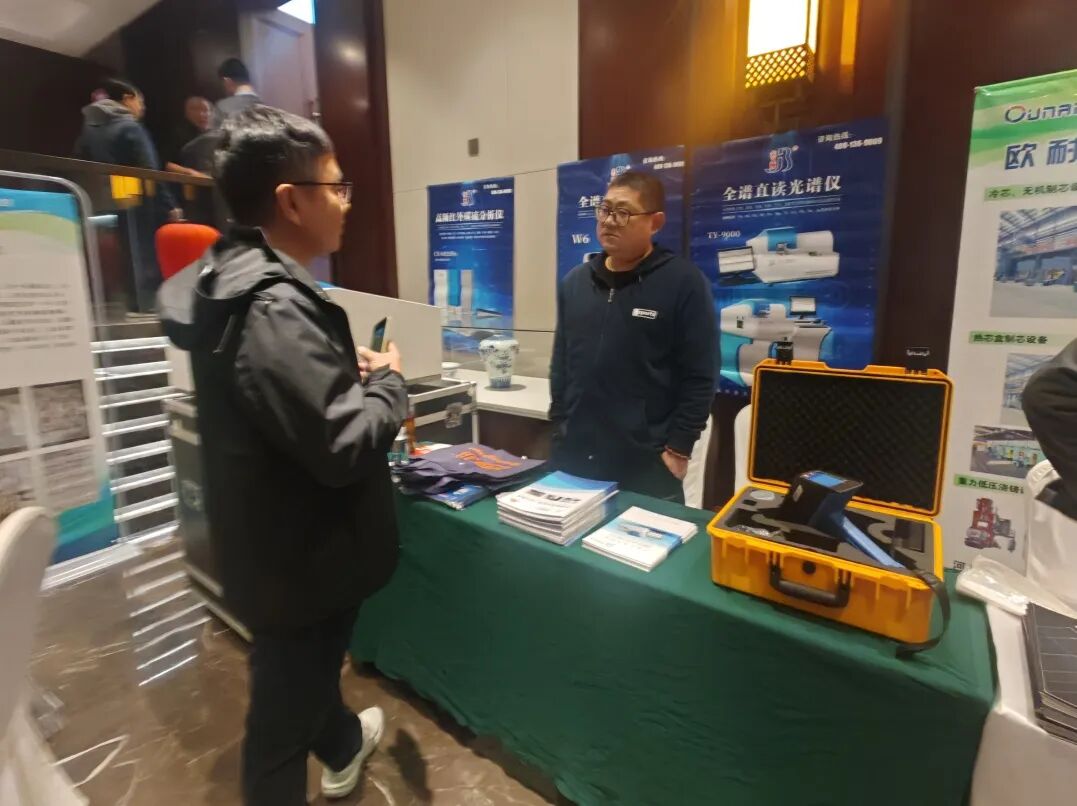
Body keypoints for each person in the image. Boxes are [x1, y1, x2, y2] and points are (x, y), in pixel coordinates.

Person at [157, 105, 407, 805]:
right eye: (336, 186)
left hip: (268, 545)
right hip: (303, 563)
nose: (346, 202)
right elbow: (344, 444)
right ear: (291, 201)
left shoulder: (226, 278)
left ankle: (344, 745)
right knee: (276, 733)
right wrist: (389, 383)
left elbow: (280, 404)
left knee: (300, 678)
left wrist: (336, 373)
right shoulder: (274, 306)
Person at [549, 170, 716, 502]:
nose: (609, 221)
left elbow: (701, 374)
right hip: (576, 454)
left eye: (623, 212)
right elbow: (561, 364)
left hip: (646, 464)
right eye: (605, 209)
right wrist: (560, 425)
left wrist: (679, 449)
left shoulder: (683, 282)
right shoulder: (576, 282)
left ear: (655, 222)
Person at [165, 95, 213, 177]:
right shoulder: (177, 134)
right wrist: (191, 173)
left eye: (205, 110)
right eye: (195, 109)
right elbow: (165, 164)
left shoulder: (214, 136)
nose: (201, 114)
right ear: (186, 112)